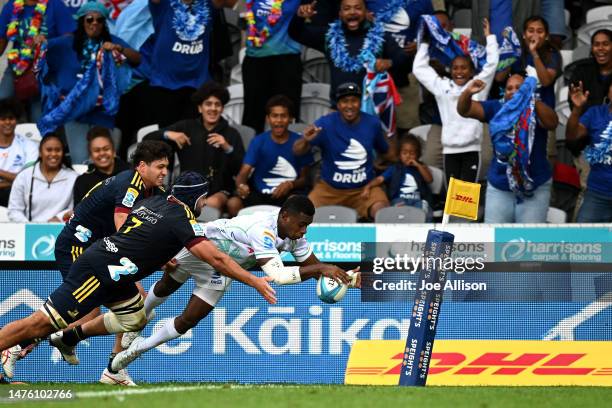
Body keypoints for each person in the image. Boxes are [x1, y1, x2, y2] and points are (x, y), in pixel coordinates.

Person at [0, 172, 276, 382]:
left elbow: (145, 236)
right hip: (99, 272)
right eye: (204, 198)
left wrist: (157, 255)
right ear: (196, 198)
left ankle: (70, 339)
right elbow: (216, 258)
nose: (205, 203)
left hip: (115, 274)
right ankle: (15, 347)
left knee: (136, 316)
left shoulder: (156, 201)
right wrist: (256, 281)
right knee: (38, 323)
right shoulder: (182, 219)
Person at [112, 195, 358, 372]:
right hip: (202, 245)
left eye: (308, 226)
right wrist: (322, 268)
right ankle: (137, 320)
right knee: (167, 285)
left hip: (223, 267)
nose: (304, 231)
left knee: (189, 320)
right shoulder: (262, 230)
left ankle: (134, 351)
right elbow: (280, 276)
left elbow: (315, 269)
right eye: (302, 224)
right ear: (284, 216)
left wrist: (349, 278)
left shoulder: (294, 236)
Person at [2, 140, 170, 385]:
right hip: (77, 247)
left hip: (101, 252)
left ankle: (112, 367)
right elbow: (122, 224)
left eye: (167, 167)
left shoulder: (154, 191)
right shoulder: (131, 183)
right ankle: (19, 345)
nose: (165, 172)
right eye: (160, 167)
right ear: (142, 166)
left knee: (137, 305)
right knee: (84, 310)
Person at [37, 1, 140, 165]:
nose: (94, 24)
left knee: (105, 161)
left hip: (103, 112)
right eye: (90, 19)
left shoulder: (111, 42)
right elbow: (42, 49)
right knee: (80, 163)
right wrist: (41, 41)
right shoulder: (65, 43)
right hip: (75, 112)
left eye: (99, 20)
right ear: (81, 21)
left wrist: (119, 49)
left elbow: (137, 59)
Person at [457, 72, 558, 223]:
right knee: (495, 240)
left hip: (534, 185)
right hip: (500, 186)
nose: (513, 91)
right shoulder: (495, 107)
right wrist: (467, 92)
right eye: (509, 88)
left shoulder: (536, 108)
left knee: (529, 243)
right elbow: (464, 110)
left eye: (519, 88)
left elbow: (552, 123)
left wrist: (530, 99)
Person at [413, 18, 498, 184]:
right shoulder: (441, 87)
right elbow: (419, 69)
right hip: (449, 151)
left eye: (464, 68)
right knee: (452, 200)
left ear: (471, 70)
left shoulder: (478, 86)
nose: (459, 72)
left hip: (472, 150)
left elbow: (492, 64)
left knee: (465, 201)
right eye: (455, 68)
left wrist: (490, 37)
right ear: (450, 70)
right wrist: (424, 43)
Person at [144, 81, 244, 215]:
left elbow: (241, 169)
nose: (213, 108)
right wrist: (169, 134)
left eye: (217, 104)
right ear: (200, 108)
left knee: (211, 205)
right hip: (188, 187)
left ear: (222, 108)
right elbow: (147, 139)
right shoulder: (186, 127)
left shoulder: (231, 133)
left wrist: (227, 147)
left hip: (219, 190)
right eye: (208, 104)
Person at [293, 82, 390, 220]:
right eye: (345, 101)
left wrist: (379, 164)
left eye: (354, 101)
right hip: (329, 190)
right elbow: (297, 151)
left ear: (360, 102)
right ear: (337, 105)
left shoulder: (372, 123)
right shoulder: (325, 123)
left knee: (382, 212)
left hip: (363, 190)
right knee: (304, 215)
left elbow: (385, 151)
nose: (349, 106)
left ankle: (372, 243)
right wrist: (305, 140)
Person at [289, 0, 410, 106]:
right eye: (347, 9)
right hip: (338, 108)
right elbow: (295, 33)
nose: (352, 12)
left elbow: (404, 59)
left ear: (366, 12)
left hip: (372, 108)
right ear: (340, 14)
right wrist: (299, 18)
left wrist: (389, 62)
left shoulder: (379, 35)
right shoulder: (329, 36)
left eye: (358, 8)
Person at [230, 95, 313, 216]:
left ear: (290, 118)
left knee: (296, 203)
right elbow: (243, 173)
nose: (279, 120)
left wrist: (290, 184)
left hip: (289, 194)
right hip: (259, 193)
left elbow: (305, 179)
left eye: (283, 116)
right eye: (274, 116)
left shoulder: (299, 142)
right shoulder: (258, 141)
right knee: (233, 203)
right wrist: (241, 186)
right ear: (268, 119)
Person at [0, 0, 75, 120]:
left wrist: (48, 42)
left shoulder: (55, 5)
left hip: (46, 69)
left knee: (38, 117)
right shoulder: (11, 6)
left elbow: (70, 38)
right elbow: (2, 40)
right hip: (17, 67)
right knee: (3, 101)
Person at [241, 0, 304, 133]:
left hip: (287, 60)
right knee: (253, 116)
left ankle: (288, 152)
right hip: (255, 61)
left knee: (287, 114)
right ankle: (254, 151)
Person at [565, 81, 612, 222]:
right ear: (608, 91)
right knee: (584, 239)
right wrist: (576, 110)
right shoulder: (596, 113)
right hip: (597, 193)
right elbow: (572, 136)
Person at [361, 134, 433, 220]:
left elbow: (429, 180)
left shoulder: (421, 168)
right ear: (399, 155)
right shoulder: (394, 168)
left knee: (423, 211)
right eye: (404, 153)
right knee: (395, 213)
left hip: (418, 201)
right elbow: (380, 179)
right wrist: (368, 186)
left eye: (412, 153)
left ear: (418, 155)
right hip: (399, 200)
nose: (408, 156)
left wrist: (418, 165)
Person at [7, 133, 77, 222]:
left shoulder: (74, 178)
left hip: (62, 230)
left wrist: (59, 218)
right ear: (40, 152)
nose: (54, 154)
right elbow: (14, 210)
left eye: (58, 150)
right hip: (29, 232)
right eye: (49, 150)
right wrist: (30, 227)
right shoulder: (24, 176)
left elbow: (75, 209)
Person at [73, 126, 130, 205]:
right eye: (97, 150)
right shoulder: (83, 181)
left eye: (106, 149)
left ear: (113, 151)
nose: (102, 153)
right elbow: (78, 214)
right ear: (90, 155)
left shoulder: (130, 172)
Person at [0, 99, 38, 206]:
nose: (7, 122)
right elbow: (20, 178)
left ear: (16, 120)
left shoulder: (30, 145)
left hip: (18, 192)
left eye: (11, 118)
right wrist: (13, 179)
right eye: (3, 119)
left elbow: (27, 179)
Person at [567, 29, 612, 111]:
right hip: (587, 121)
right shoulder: (581, 70)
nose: (600, 48)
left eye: (605, 44)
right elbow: (574, 106)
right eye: (596, 45)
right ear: (592, 48)